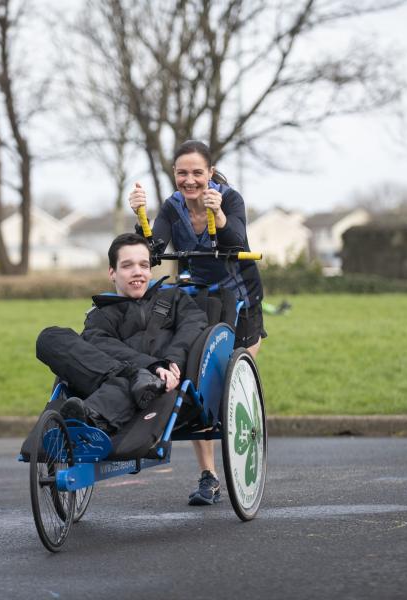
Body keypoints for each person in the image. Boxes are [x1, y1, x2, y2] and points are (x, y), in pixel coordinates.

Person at [128, 139, 266, 506]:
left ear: (210, 172)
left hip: (242, 297)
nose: (190, 181)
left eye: (197, 173)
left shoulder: (229, 198)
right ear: (174, 174)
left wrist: (218, 216)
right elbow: (153, 249)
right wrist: (140, 216)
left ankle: (243, 459)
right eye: (182, 173)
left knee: (232, 382)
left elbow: (237, 239)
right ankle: (209, 476)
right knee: (198, 376)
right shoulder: (172, 207)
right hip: (198, 295)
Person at [36, 232, 208, 435]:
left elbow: (193, 326)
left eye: (144, 265)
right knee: (50, 337)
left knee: (138, 383)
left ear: (151, 272)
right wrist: (140, 368)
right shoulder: (101, 314)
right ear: (112, 273)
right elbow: (98, 345)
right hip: (113, 377)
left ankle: (90, 418)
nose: (138, 272)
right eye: (127, 266)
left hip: (162, 386)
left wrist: (168, 362)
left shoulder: (174, 298)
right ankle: (135, 377)